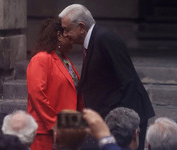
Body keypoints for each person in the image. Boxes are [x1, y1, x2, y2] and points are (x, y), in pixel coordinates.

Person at [58, 4, 155, 150]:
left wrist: (123, 121)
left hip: (127, 119)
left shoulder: (105, 38)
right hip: (112, 117)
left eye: (67, 29)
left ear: (81, 27)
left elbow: (127, 80)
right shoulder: (93, 40)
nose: (64, 34)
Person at [27, 17, 84, 150]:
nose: (72, 40)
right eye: (67, 34)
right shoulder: (41, 59)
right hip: (47, 133)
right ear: (59, 35)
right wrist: (54, 123)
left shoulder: (64, 60)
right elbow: (37, 94)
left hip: (67, 131)